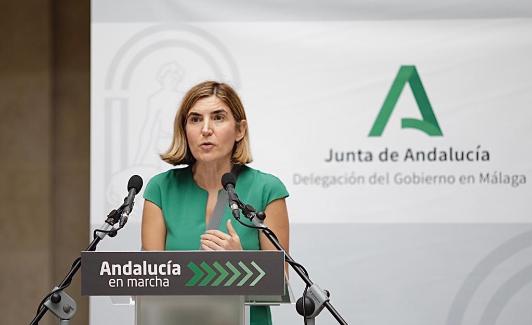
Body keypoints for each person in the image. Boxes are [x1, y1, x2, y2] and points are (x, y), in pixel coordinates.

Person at [141, 81, 289, 325]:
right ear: (184, 129)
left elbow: (279, 284)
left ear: (240, 130)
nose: (206, 129)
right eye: (195, 119)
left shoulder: (267, 189)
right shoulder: (160, 189)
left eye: (218, 118)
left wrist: (239, 264)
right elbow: (149, 281)